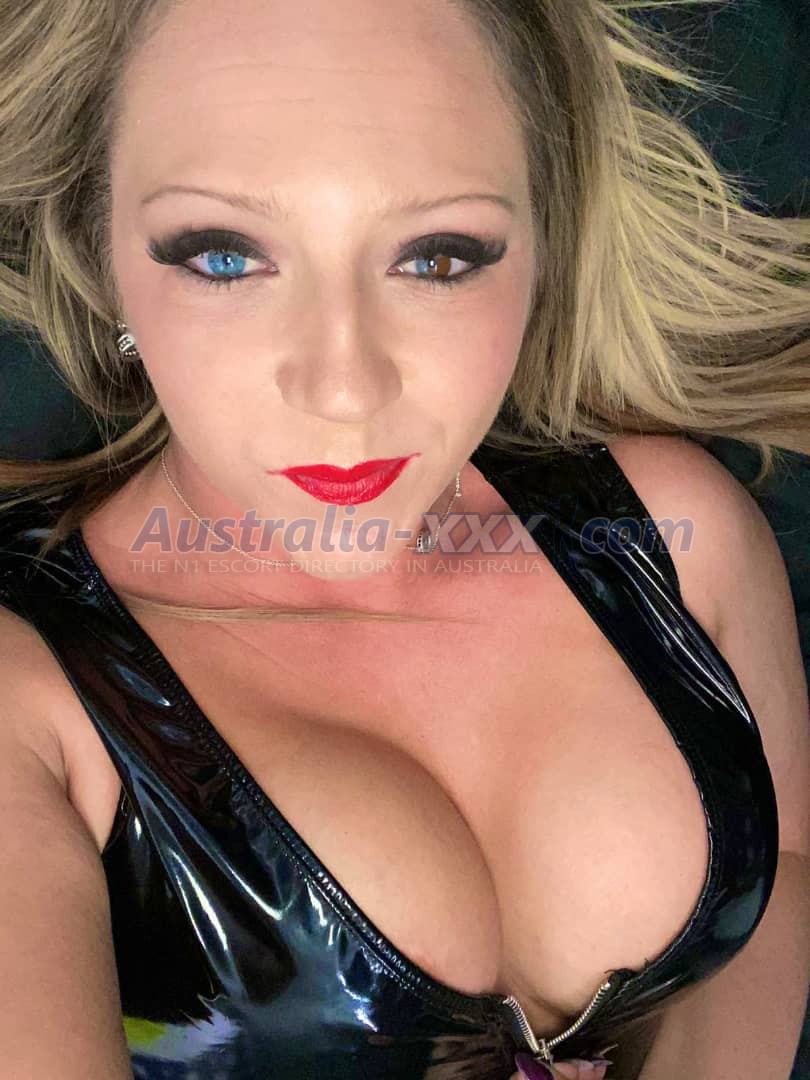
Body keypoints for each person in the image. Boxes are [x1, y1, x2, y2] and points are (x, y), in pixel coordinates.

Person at [0, 1, 808, 1078]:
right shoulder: (26, 699)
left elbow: (782, 867)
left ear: (540, 247)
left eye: (437, 258)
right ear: (103, 257)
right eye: (225, 258)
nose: (344, 388)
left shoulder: (674, 539)